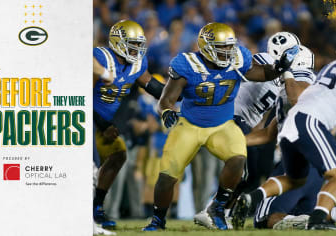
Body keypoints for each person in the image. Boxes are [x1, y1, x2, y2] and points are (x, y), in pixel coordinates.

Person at [142, 22, 300, 231]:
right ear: (206, 47)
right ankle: (158, 221)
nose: (227, 51)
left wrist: (278, 69)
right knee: (167, 175)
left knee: (238, 159)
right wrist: (168, 111)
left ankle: (217, 208)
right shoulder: (187, 65)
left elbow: (261, 73)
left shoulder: (238, 58)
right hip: (190, 125)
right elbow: (166, 99)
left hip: (223, 125)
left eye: (229, 46)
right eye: (222, 47)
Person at [233, 31, 336, 231]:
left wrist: (287, 73)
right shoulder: (328, 75)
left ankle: (325, 217)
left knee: (268, 219)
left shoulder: (309, 75)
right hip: (309, 150)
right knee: (307, 207)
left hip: (303, 143)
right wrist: (233, 142)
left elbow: (298, 101)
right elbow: (269, 133)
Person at [193, 32, 301, 229]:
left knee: (251, 176)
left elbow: (265, 114)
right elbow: (240, 73)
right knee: (244, 170)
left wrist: (252, 136)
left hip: (244, 122)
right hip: (231, 114)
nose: (297, 56)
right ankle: (212, 210)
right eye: (294, 52)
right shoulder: (264, 60)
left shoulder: (286, 79)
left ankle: (219, 212)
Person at [93, 19, 167, 228]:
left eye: (138, 44)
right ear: (117, 42)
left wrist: (179, 93)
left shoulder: (136, 64)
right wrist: (102, 124)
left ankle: (96, 207)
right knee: (92, 164)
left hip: (104, 122)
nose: (137, 50)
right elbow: (82, 97)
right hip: (83, 118)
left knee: (118, 156)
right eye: (132, 44)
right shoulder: (100, 58)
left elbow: (151, 85)